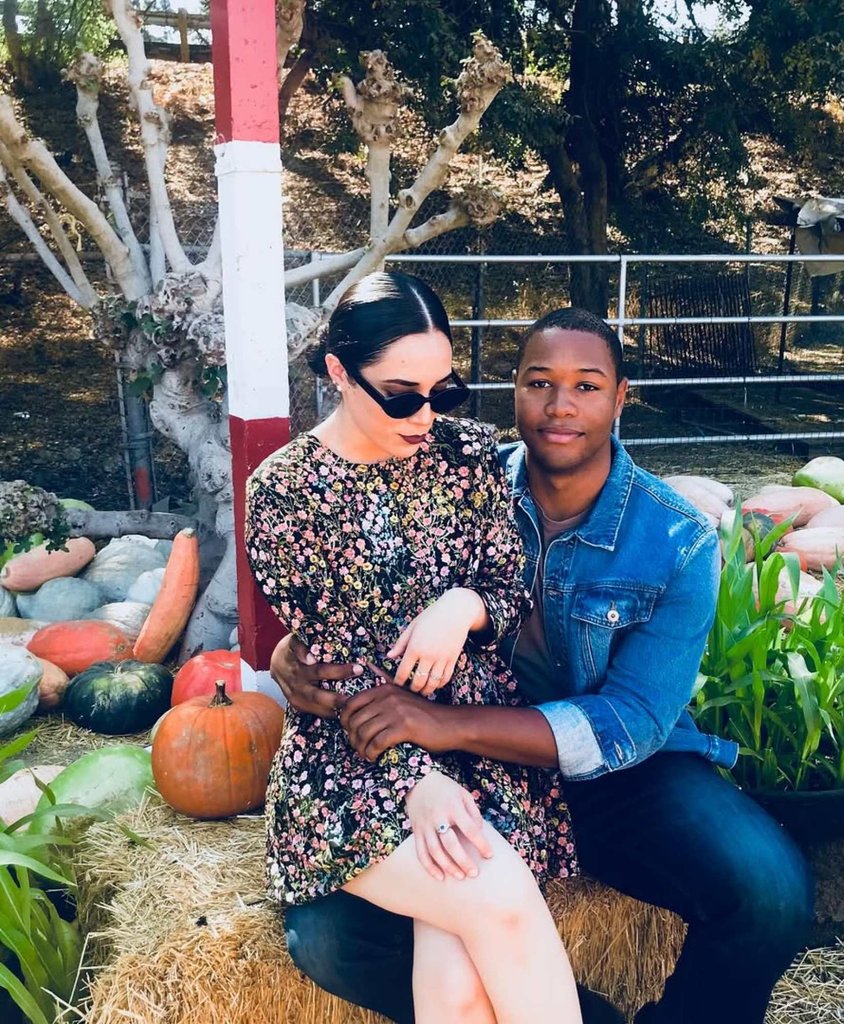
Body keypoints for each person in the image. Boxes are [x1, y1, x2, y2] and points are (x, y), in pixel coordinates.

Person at [273, 307, 815, 1024]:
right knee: (326, 939)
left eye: (587, 386)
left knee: (770, 893)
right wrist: (297, 653)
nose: (561, 407)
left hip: (619, 777)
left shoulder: (677, 541)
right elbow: (357, 593)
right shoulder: (454, 480)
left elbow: (630, 723)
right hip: (460, 771)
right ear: (514, 394)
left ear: (621, 398)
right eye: (539, 383)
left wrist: (447, 725)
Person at [244, 271, 583, 1024]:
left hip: (476, 734)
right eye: (402, 394)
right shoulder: (286, 491)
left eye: (445, 390)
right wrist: (416, 782)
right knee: (498, 905)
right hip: (358, 756)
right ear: (338, 371)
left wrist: (460, 607)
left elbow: (506, 585)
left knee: (460, 985)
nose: (426, 415)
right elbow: (331, 672)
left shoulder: (466, 452)